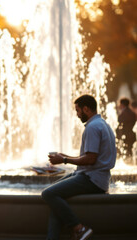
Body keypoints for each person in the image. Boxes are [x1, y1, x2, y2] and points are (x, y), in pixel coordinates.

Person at [41, 94, 116, 240]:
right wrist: (64, 156)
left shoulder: (93, 127)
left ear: (86, 109)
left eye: (78, 111)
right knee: (54, 192)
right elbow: (90, 157)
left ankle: (79, 228)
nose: (77, 115)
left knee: (48, 194)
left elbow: (90, 159)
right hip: (94, 177)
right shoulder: (103, 124)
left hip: (92, 179)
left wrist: (63, 159)